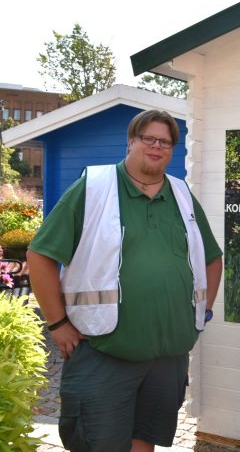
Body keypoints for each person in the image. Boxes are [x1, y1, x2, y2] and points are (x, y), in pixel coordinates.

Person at [27, 109, 223, 452]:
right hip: (105, 351)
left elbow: (212, 258)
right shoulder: (94, 187)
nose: (156, 146)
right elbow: (40, 256)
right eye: (148, 138)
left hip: (167, 356)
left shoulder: (180, 194)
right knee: (98, 443)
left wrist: (200, 313)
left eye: (165, 142)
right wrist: (57, 324)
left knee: (145, 440)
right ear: (131, 141)